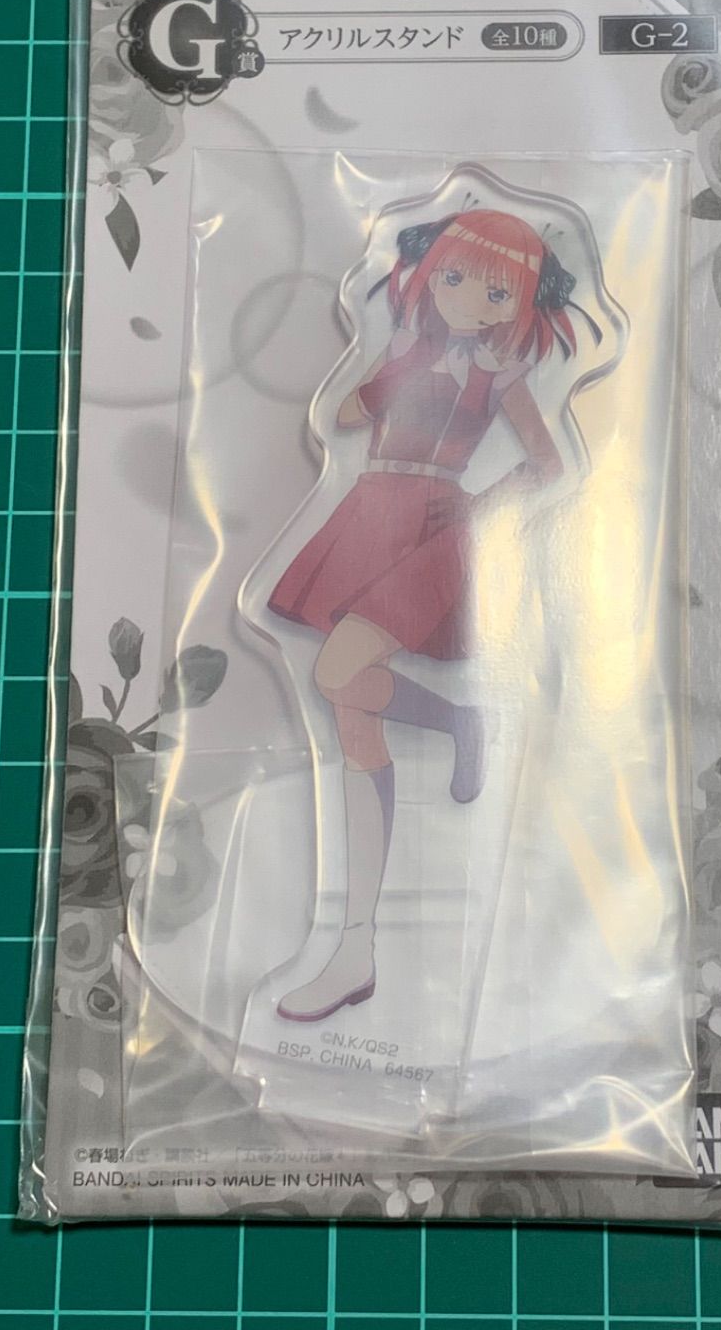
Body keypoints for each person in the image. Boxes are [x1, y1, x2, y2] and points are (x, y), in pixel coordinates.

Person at [266, 207, 583, 1021]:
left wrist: (482, 510)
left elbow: (548, 465)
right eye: (455, 277)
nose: (470, 299)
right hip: (371, 513)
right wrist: (395, 363)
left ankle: (454, 730)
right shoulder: (408, 348)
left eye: (496, 292)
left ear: (520, 303)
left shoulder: (498, 375)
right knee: (351, 706)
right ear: (429, 272)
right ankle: (356, 948)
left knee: (338, 670)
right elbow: (340, 418)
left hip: (437, 529)